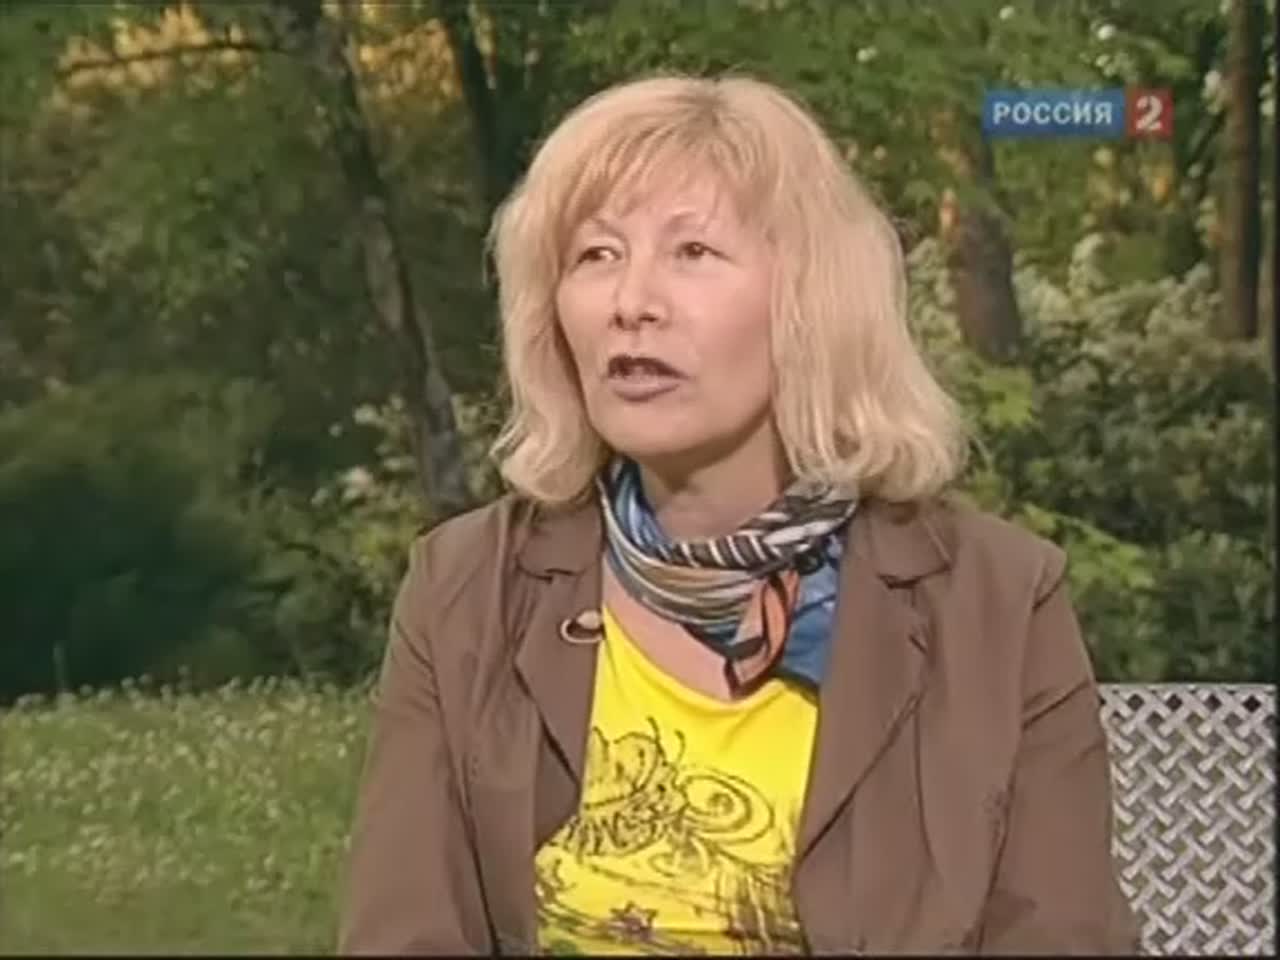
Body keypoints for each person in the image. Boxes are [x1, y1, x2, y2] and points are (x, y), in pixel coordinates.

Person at [337, 72, 1140, 956]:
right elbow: (405, 934)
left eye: (692, 252)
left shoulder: (998, 602)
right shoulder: (465, 591)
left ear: (811, 303)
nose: (631, 302)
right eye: (595, 255)